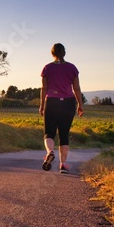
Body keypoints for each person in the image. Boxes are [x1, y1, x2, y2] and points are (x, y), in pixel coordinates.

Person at [39, 43, 83, 174]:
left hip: (52, 101)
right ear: (64, 52)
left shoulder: (47, 68)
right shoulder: (72, 68)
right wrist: (80, 105)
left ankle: (50, 152)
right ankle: (63, 165)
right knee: (64, 134)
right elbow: (76, 88)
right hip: (68, 103)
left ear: (52, 53)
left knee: (49, 132)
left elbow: (44, 88)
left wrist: (42, 105)